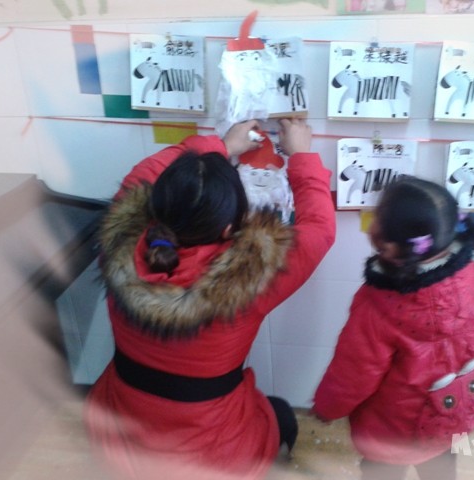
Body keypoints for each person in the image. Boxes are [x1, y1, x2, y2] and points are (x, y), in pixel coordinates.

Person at [84, 118, 336, 480]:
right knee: (282, 416)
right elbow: (320, 229)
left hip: (119, 432)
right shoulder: (248, 277)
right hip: (209, 454)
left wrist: (218, 147)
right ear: (229, 228)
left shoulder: (118, 242)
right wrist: (302, 155)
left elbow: (143, 172)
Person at [312, 176, 474, 480]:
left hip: (392, 429)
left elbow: (355, 372)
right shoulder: (473, 274)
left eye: (376, 216)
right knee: (441, 468)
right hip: (451, 410)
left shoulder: (379, 303)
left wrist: (328, 408)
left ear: (389, 247)